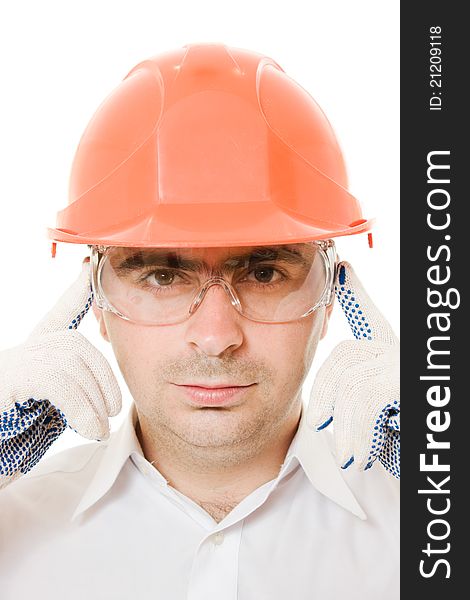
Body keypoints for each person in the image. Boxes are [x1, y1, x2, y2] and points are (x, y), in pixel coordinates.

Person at [0, 43, 399, 599]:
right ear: (93, 300)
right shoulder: (11, 524)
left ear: (333, 294)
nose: (215, 338)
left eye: (263, 274)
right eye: (163, 276)